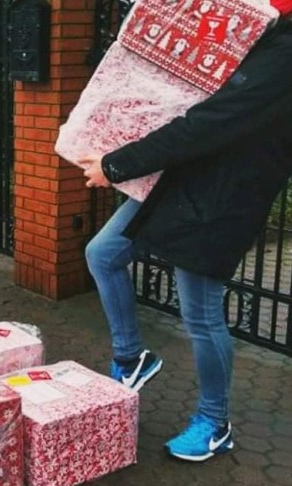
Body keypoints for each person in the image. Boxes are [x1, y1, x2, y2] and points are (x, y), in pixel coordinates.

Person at [80, 4, 292, 462]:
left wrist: (117, 164)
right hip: (181, 180)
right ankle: (131, 357)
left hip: (223, 197)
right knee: (103, 253)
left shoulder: (284, 53)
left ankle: (215, 423)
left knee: (200, 313)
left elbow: (208, 124)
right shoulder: (257, 36)